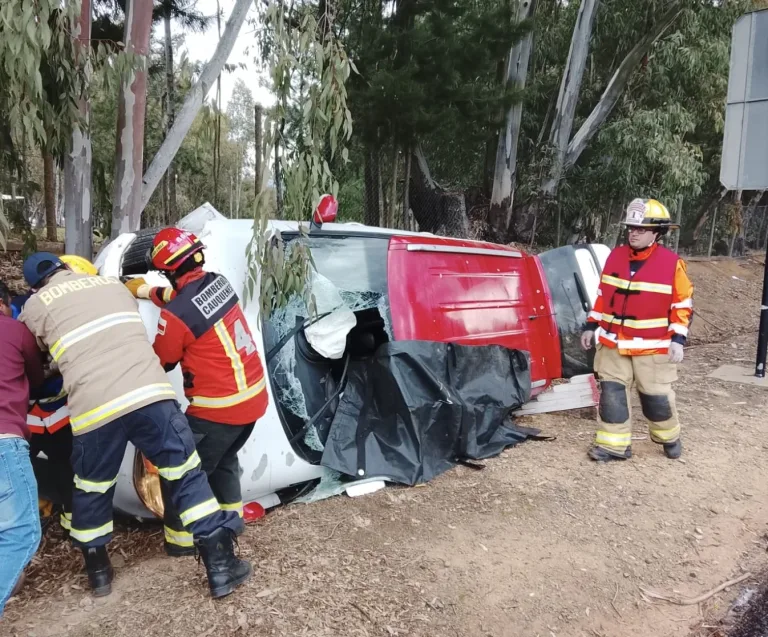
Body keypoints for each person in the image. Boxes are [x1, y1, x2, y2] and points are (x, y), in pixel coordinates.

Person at [18, 253, 251, 599]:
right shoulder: (112, 285)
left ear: (36, 285)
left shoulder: (35, 306)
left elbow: (35, 359)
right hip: (150, 396)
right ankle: (220, 566)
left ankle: (98, 573)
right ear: (68, 267)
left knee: (92, 487)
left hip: (94, 409)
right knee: (185, 473)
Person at [124, 228, 268, 556]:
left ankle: (181, 543)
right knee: (225, 460)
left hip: (218, 410)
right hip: (252, 401)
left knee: (183, 472)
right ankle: (232, 520)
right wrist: (147, 291)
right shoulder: (218, 283)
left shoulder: (176, 317)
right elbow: (186, 298)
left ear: (171, 271)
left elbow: (163, 360)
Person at [581, 198, 694, 462]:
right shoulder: (615, 256)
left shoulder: (671, 263)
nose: (634, 232)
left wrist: (678, 339)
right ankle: (613, 446)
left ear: (657, 233)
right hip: (612, 343)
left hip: (652, 346)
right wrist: (591, 325)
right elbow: (602, 295)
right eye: (631, 227)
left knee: (656, 398)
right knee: (612, 395)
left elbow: (682, 304)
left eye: (641, 229)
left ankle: (669, 437)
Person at [20, 255, 99, 536]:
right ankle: (64, 518)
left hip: (39, 409)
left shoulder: (29, 308)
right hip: (48, 407)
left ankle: (53, 515)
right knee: (64, 466)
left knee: (47, 466)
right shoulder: (32, 313)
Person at [0, 279, 45, 615]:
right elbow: (36, 375)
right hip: (4, 440)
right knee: (22, 533)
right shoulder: (14, 331)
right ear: (4, 303)